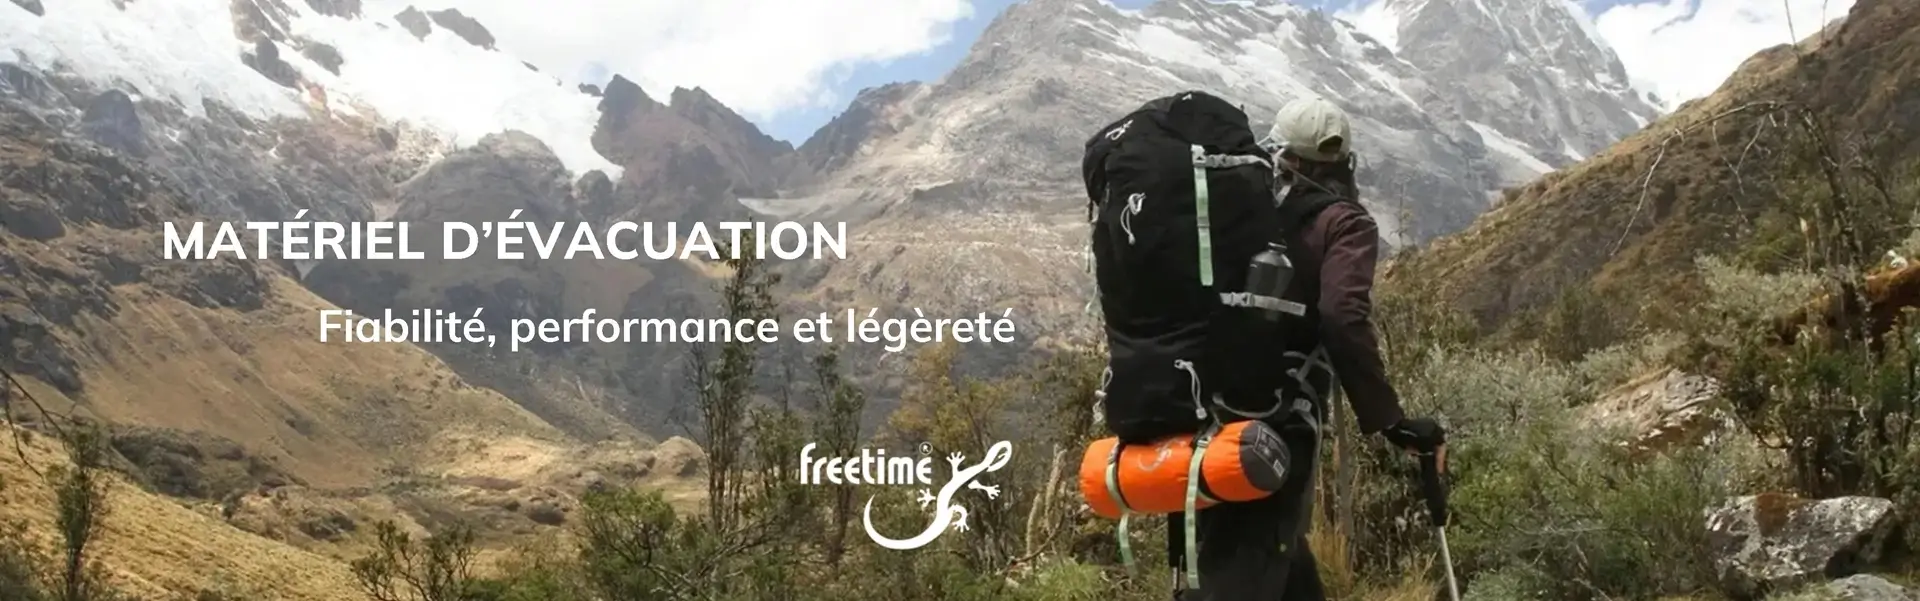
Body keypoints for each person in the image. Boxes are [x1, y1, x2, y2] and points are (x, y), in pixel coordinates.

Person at [1168, 96, 1447, 601]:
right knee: (1243, 569)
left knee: (1262, 557)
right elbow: (1343, 318)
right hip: (1275, 425)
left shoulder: (1240, 216)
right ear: (1344, 163)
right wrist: (1387, 419)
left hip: (1204, 414)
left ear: (1281, 158)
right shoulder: (1344, 224)